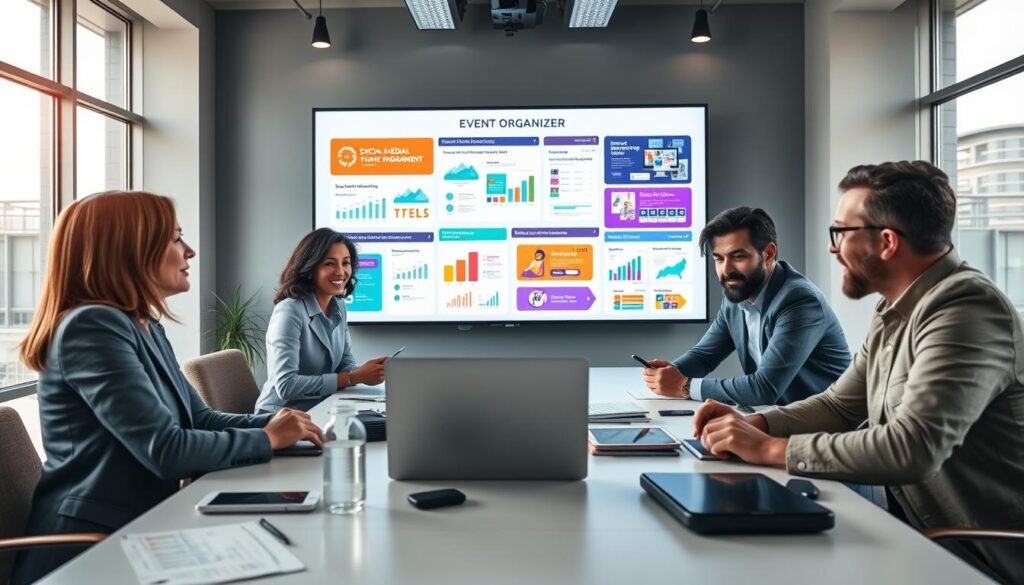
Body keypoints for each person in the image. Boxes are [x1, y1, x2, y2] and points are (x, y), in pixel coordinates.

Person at [694, 161, 1024, 585]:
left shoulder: (964, 309)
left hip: (974, 555)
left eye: (840, 233)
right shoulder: (895, 309)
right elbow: (838, 405)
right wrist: (752, 423)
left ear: (886, 242)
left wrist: (770, 449)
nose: (833, 248)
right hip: (908, 526)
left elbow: (912, 447)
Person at [11, 191, 322, 585]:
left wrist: (278, 425)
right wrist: (267, 439)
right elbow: (166, 449)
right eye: (176, 238)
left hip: (143, 523)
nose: (189, 251)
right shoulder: (92, 327)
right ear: (132, 249)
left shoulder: (144, 325)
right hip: (89, 549)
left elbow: (199, 418)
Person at [642, 207, 850, 406]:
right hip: (780, 418)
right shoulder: (737, 295)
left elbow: (764, 388)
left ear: (768, 254)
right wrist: (669, 372)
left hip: (827, 430)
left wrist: (684, 386)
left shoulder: (800, 301)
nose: (727, 269)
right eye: (719, 259)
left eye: (738, 257)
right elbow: (704, 356)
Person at [255, 228, 386, 413]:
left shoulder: (338, 306)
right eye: (330, 264)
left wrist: (366, 373)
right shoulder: (289, 311)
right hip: (281, 416)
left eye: (346, 263)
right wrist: (352, 378)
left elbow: (345, 363)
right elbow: (286, 385)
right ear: (310, 268)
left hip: (320, 408)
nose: (341, 272)